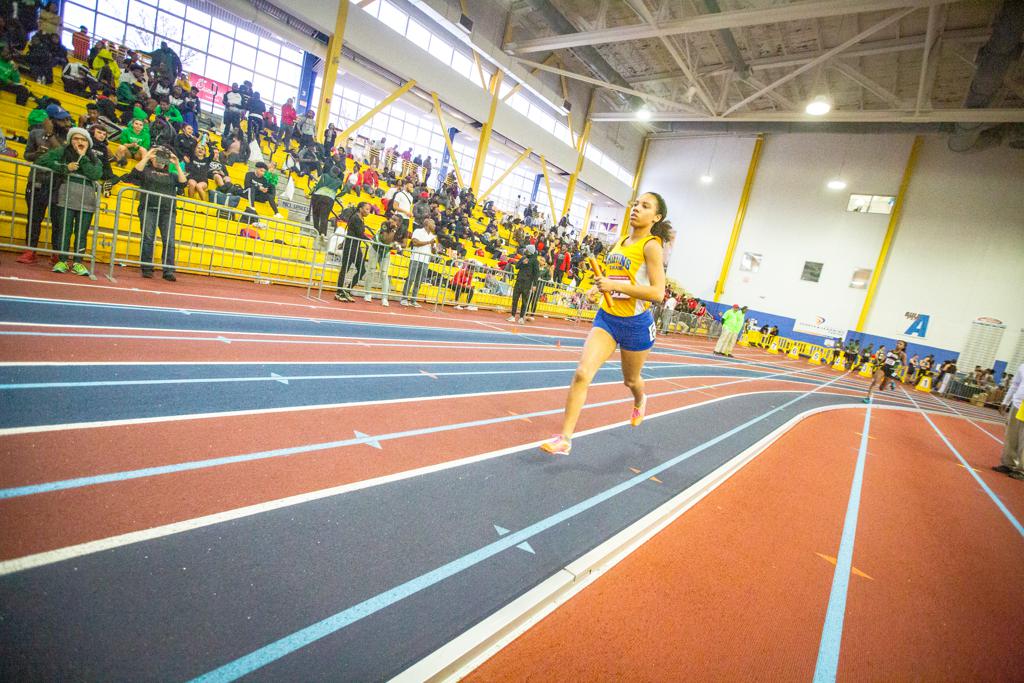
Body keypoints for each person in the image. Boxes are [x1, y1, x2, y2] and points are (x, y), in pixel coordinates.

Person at [540, 192, 669, 456]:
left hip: (635, 324)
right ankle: (565, 439)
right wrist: (597, 290)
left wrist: (615, 285)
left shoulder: (651, 246)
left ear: (656, 217)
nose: (636, 209)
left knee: (631, 380)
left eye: (644, 207)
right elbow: (612, 277)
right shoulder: (621, 242)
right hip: (607, 319)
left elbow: (658, 293)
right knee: (582, 373)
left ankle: (640, 399)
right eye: (635, 204)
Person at [36, 127, 102, 275]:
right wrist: (65, 167)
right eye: (76, 138)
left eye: (83, 139)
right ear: (70, 139)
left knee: (81, 233)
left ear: (88, 143)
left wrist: (82, 156)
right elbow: (42, 160)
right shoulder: (62, 151)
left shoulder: (93, 157)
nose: (79, 142)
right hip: (65, 196)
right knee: (64, 230)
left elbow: (95, 174)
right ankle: (62, 261)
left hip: (87, 199)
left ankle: (78, 263)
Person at [118, 146, 186, 281]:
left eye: (163, 157)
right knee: (148, 238)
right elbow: (133, 175)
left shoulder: (172, 175)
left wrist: (177, 164)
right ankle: (147, 268)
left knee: (169, 240)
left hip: (168, 211)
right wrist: (148, 156)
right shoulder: (146, 171)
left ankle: (168, 271)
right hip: (148, 208)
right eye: (158, 156)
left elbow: (183, 184)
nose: (161, 160)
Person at [334, 201, 372, 302]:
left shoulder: (361, 219)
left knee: (362, 270)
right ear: (360, 209)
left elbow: (360, 234)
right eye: (367, 209)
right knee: (345, 268)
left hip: (356, 246)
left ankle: (347, 289)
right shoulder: (355, 218)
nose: (369, 212)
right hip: (350, 245)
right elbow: (360, 233)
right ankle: (339, 292)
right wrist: (371, 240)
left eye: (369, 210)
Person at [993, 363, 1024, 480]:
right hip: (1017, 404)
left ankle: (1021, 469)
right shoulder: (1022, 366)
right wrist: (1005, 401)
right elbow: (1015, 385)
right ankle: (1008, 464)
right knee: (1011, 436)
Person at [400, 218, 435, 307]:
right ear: (427, 223)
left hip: (425, 261)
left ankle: (413, 300)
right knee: (410, 278)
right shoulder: (418, 231)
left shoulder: (432, 236)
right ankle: (404, 298)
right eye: (433, 223)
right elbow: (415, 242)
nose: (435, 225)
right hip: (416, 258)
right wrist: (428, 242)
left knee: (419, 281)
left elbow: (433, 250)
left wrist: (433, 247)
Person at [363, 214, 398, 306]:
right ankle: (367, 293)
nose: (392, 221)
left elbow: (403, 244)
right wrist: (393, 230)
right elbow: (386, 240)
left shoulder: (401, 229)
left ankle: (384, 298)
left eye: (395, 220)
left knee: (384, 273)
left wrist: (396, 244)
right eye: (391, 219)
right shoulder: (385, 224)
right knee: (371, 270)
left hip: (386, 252)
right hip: (376, 249)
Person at [308, 165, 343, 239]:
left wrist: (311, 192)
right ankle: (322, 233)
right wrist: (337, 195)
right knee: (325, 216)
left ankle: (316, 231)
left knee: (316, 215)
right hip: (329, 198)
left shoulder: (324, 176)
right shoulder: (339, 181)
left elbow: (318, 185)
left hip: (318, 195)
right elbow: (345, 189)